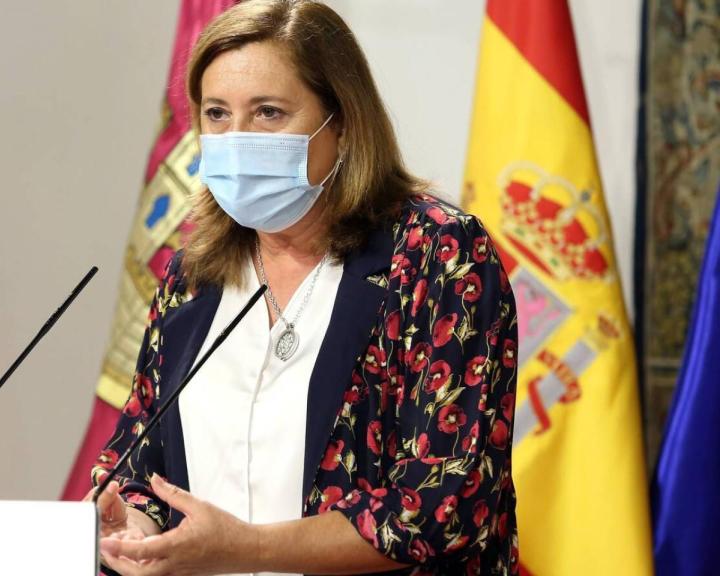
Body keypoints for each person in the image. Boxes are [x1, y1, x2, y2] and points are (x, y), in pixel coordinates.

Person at [88, 1, 519, 574]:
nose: (236, 139)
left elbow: (445, 507)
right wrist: (133, 525)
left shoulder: (437, 256)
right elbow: (140, 466)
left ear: (341, 122)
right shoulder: (193, 276)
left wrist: (247, 549)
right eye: (216, 114)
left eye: (268, 112)